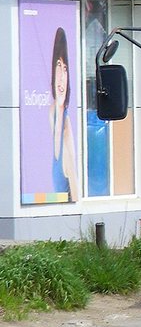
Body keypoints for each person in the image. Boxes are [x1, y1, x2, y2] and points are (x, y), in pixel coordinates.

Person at [49, 27, 77, 201]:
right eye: (58, 66)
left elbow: (73, 182)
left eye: (65, 68)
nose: (62, 77)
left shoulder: (66, 125)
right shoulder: (49, 114)